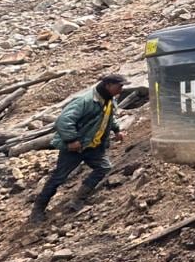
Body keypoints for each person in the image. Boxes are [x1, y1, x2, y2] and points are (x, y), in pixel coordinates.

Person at [29, 74, 126, 222]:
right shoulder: (85, 101)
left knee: (104, 168)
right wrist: (72, 140)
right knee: (59, 178)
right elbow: (63, 121)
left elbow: (108, 117)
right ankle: (37, 210)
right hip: (75, 148)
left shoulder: (109, 100)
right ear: (108, 85)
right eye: (119, 86)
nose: (121, 89)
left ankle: (78, 199)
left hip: (94, 146)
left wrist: (116, 130)